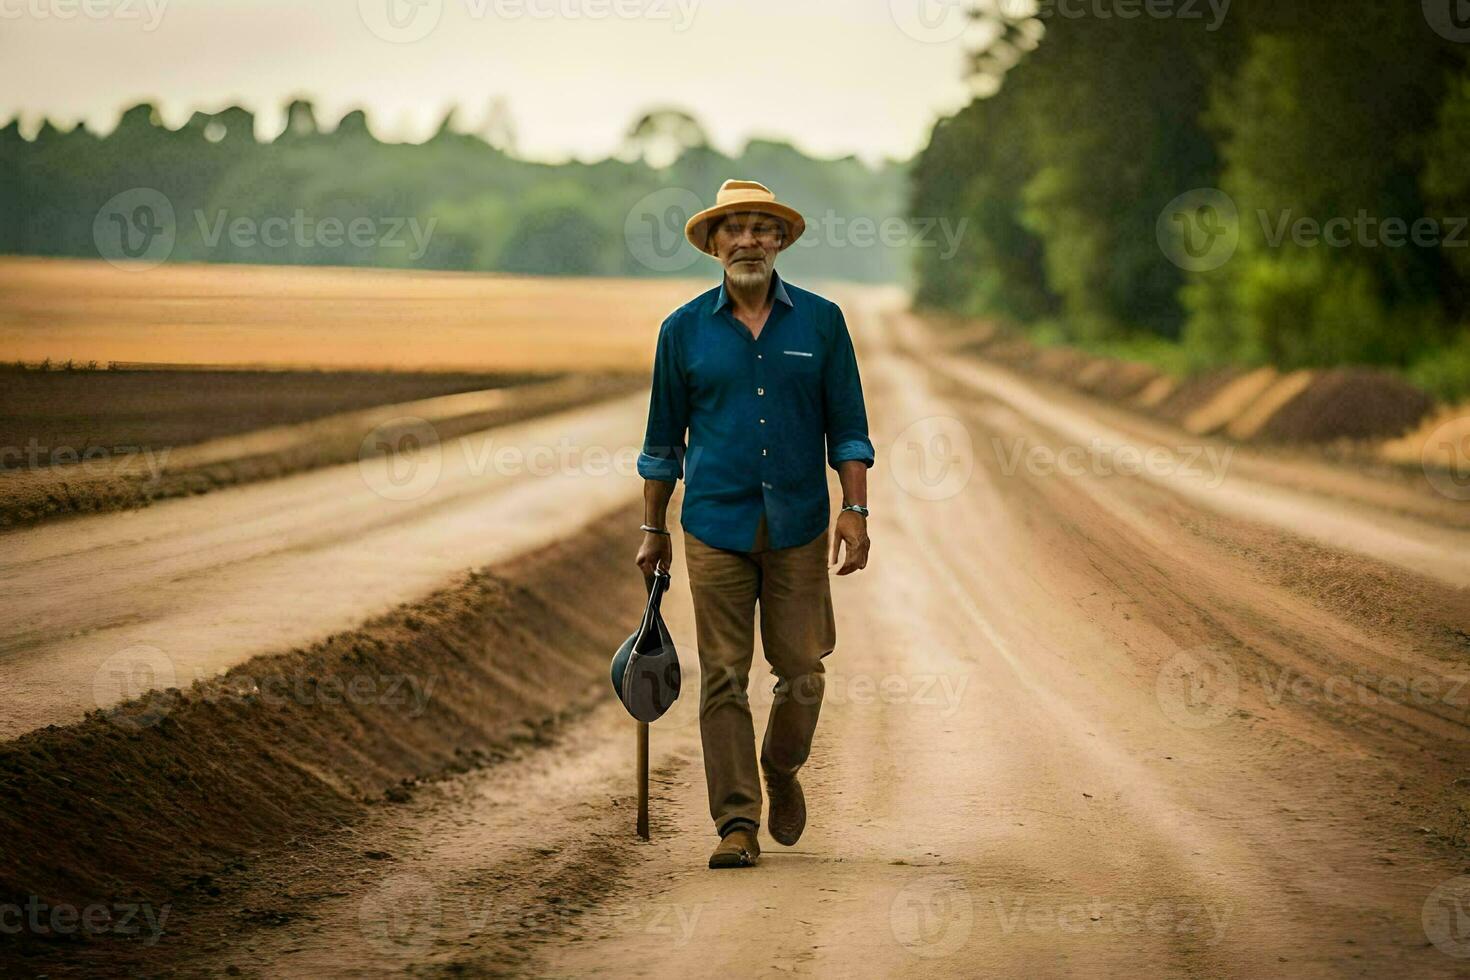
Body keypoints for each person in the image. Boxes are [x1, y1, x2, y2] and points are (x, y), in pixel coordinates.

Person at [634, 179, 875, 869]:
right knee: (722, 676)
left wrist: (854, 511)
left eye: (761, 229)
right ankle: (736, 824)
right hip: (714, 525)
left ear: (781, 242)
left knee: (802, 670)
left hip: (799, 523)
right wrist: (652, 530)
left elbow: (849, 428)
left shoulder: (823, 322)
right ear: (713, 244)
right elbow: (661, 443)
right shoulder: (681, 332)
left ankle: (782, 766)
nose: (747, 239)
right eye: (733, 228)